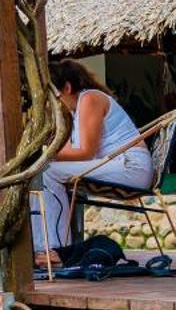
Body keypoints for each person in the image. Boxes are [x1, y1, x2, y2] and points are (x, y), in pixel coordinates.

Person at [32, 57, 154, 266]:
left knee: (47, 172)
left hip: (131, 167)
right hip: (117, 165)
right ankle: (47, 249)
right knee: (44, 172)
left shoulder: (89, 98)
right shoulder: (76, 109)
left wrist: (44, 153)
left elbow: (86, 151)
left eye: (54, 97)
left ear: (67, 88)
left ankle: (55, 251)